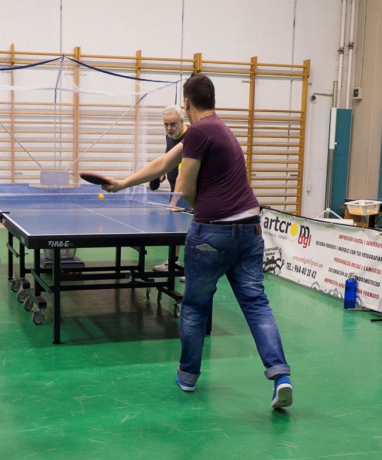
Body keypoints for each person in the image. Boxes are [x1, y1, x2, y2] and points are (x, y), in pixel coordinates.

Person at [101, 73, 292, 410]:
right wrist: (122, 183)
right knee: (256, 303)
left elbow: (186, 186)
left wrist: (200, 208)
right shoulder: (220, 129)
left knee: (194, 306)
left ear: (186, 103)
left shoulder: (199, 131)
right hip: (249, 228)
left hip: (213, 232)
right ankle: (280, 377)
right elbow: (163, 163)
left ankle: (188, 376)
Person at [151, 105, 188, 277]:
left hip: (189, 191)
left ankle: (187, 270)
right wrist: (163, 172)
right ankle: (174, 262)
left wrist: (174, 201)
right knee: (175, 229)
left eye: (172, 124)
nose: (169, 128)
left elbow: (183, 172)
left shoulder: (188, 138)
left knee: (188, 232)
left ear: (182, 121)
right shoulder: (171, 136)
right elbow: (169, 155)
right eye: (165, 124)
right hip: (176, 190)